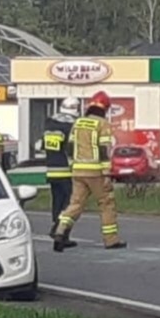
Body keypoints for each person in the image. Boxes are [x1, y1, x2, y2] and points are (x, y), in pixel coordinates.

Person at [53, 90, 126, 251]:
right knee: (106, 203)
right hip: (96, 172)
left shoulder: (78, 122)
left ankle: (60, 232)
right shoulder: (102, 124)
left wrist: (72, 165)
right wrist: (106, 173)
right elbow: (103, 149)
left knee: (75, 204)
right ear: (105, 109)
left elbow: (70, 147)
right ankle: (111, 240)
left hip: (77, 171)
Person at [41, 96, 80, 247]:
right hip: (66, 170)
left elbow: (44, 145)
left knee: (57, 201)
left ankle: (56, 225)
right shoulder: (73, 125)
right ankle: (60, 231)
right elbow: (72, 148)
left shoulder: (50, 123)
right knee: (69, 204)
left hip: (51, 169)